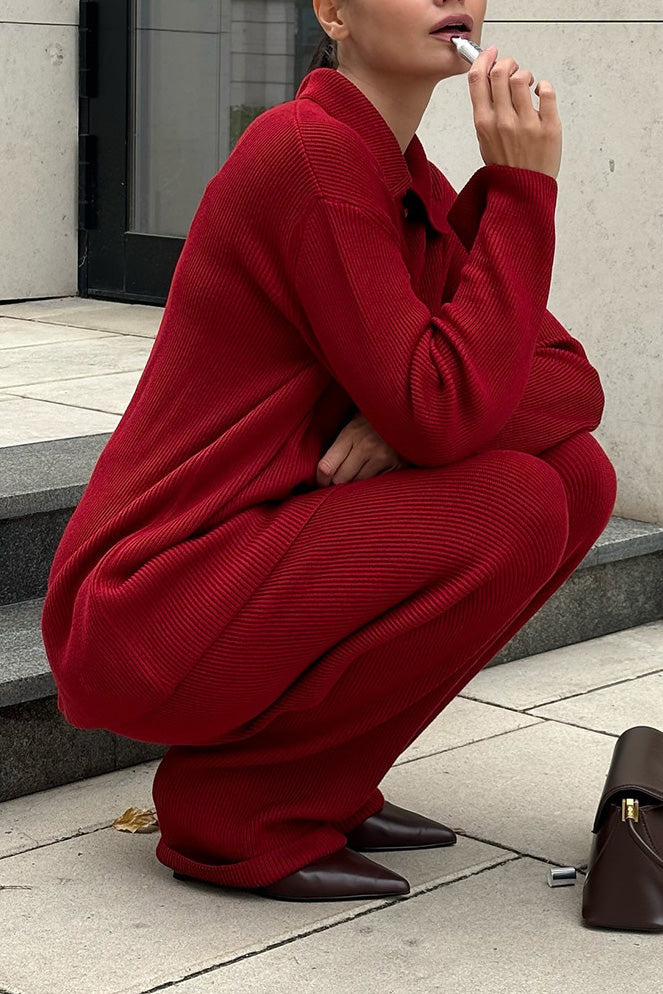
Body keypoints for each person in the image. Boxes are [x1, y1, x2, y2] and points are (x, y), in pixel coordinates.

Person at [41, 0, 617, 903]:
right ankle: (236, 808)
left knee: (577, 477)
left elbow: (567, 383)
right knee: (515, 501)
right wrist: (519, 195)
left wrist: (406, 419)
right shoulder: (307, 152)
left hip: (250, 554)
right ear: (334, 13)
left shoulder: (402, 176)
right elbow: (443, 407)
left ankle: (320, 784)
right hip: (151, 604)